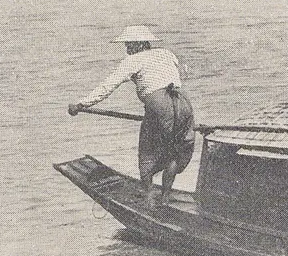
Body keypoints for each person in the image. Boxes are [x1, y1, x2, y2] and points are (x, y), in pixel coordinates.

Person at [68, 25, 195, 207]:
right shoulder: (167, 53)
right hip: (183, 103)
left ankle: (149, 198)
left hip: (159, 106)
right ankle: (165, 197)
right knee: (175, 149)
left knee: (147, 151)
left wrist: (81, 104)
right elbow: (180, 74)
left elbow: (107, 86)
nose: (127, 49)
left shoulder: (132, 60)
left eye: (129, 44)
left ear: (138, 44)